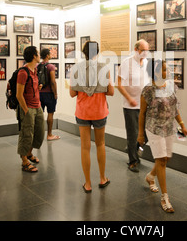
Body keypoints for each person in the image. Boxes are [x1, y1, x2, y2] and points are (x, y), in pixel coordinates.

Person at [138, 59, 187, 213]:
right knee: (161, 160)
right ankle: (165, 197)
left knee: (166, 158)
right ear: (156, 72)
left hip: (169, 127)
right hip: (154, 128)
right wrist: (140, 134)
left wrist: (182, 124)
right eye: (165, 70)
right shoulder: (148, 90)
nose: (168, 72)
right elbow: (142, 113)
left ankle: (151, 176)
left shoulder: (171, 87)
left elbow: (175, 108)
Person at [69, 41, 114, 193]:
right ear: (98, 52)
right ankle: (102, 178)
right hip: (99, 111)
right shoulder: (104, 68)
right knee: (100, 144)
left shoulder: (76, 69)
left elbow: (72, 93)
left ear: (84, 52)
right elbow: (111, 92)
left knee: (85, 147)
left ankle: (87, 183)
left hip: (82, 111)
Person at [117, 39, 151, 172]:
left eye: (147, 51)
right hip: (130, 106)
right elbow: (118, 84)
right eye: (143, 50)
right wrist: (129, 98)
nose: (145, 53)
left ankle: (134, 148)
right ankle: (133, 161)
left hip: (145, 105)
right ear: (136, 49)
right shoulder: (127, 63)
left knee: (147, 133)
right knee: (133, 134)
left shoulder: (147, 63)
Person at [16, 46, 45, 173]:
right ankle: (24, 161)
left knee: (39, 133)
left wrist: (37, 87)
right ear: (34, 56)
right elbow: (18, 94)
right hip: (28, 108)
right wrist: (26, 110)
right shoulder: (23, 72)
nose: (39, 55)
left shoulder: (35, 70)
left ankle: (29, 153)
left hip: (37, 106)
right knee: (26, 134)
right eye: (38, 53)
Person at [38, 48, 60, 141]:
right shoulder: (51, 66)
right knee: (50, 113)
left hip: (39, 93)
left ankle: (39, 135)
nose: (51, 55)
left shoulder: (38, 65)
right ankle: (49, 134)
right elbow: (53, 82)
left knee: (39, 115)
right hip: (49, 93)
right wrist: (55, 93)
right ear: (47, 55)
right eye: (50, 53)